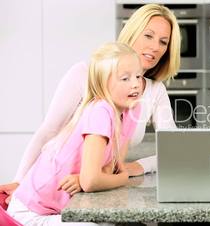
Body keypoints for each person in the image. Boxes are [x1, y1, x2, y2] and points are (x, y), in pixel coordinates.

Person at [0, 3, 180, 205]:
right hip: (52, 187)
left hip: (93, 189)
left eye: (163, 42)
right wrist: (20, 181)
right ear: (132, 33)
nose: (155, 47)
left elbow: (173, 151)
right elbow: (48, 132)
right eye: (148, 36)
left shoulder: (155, 91)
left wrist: (135, 167)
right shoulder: (84, 74)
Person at [7, 42, 144, 225]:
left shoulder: (132, 109)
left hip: (61, 208)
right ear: (103, 84)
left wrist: (86, 178)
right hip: (31, 211)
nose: (135, 84)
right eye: (125, 78)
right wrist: (122, 178)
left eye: (138, 76)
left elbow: (112, 165)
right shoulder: (100, 111)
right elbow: (101, 178)